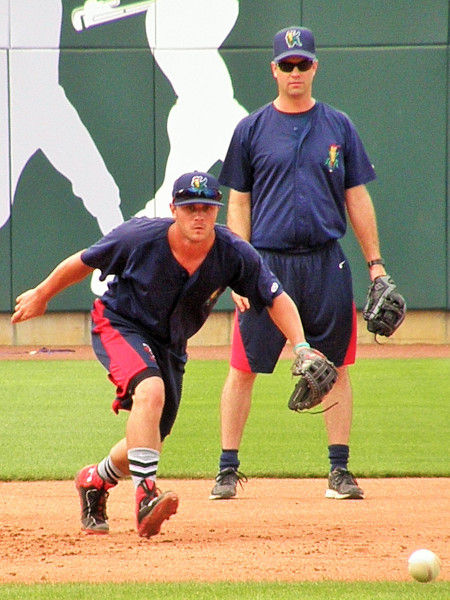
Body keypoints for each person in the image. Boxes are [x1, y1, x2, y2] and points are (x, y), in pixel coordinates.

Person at [11, 170, 316, 538]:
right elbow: (85, 260)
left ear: (217, 211)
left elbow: (275, 297)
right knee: (150, 391)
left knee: (149, 440)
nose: (199, 215)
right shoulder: (139, 237)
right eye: (190, 207)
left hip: (170, 345)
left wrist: (301, 347)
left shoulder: (233, 252)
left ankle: (94, 480)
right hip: (120, 323)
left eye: (206, 207)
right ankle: (145, 498)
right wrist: (42, 294)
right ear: (173, 208)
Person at [210, 26, 387, 501]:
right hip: (265, 265)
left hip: (326, 262)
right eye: (286, 64)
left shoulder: (338, 125)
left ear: (315, 67)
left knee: (335, 367)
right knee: (244, 367)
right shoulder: (250, 129)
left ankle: (339, 470)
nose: (295, 71)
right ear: (273, 69)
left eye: (302, 63)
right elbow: (238, 204)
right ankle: (227, 470)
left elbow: (357, 197)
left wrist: (375, 265)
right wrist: (240, 267)